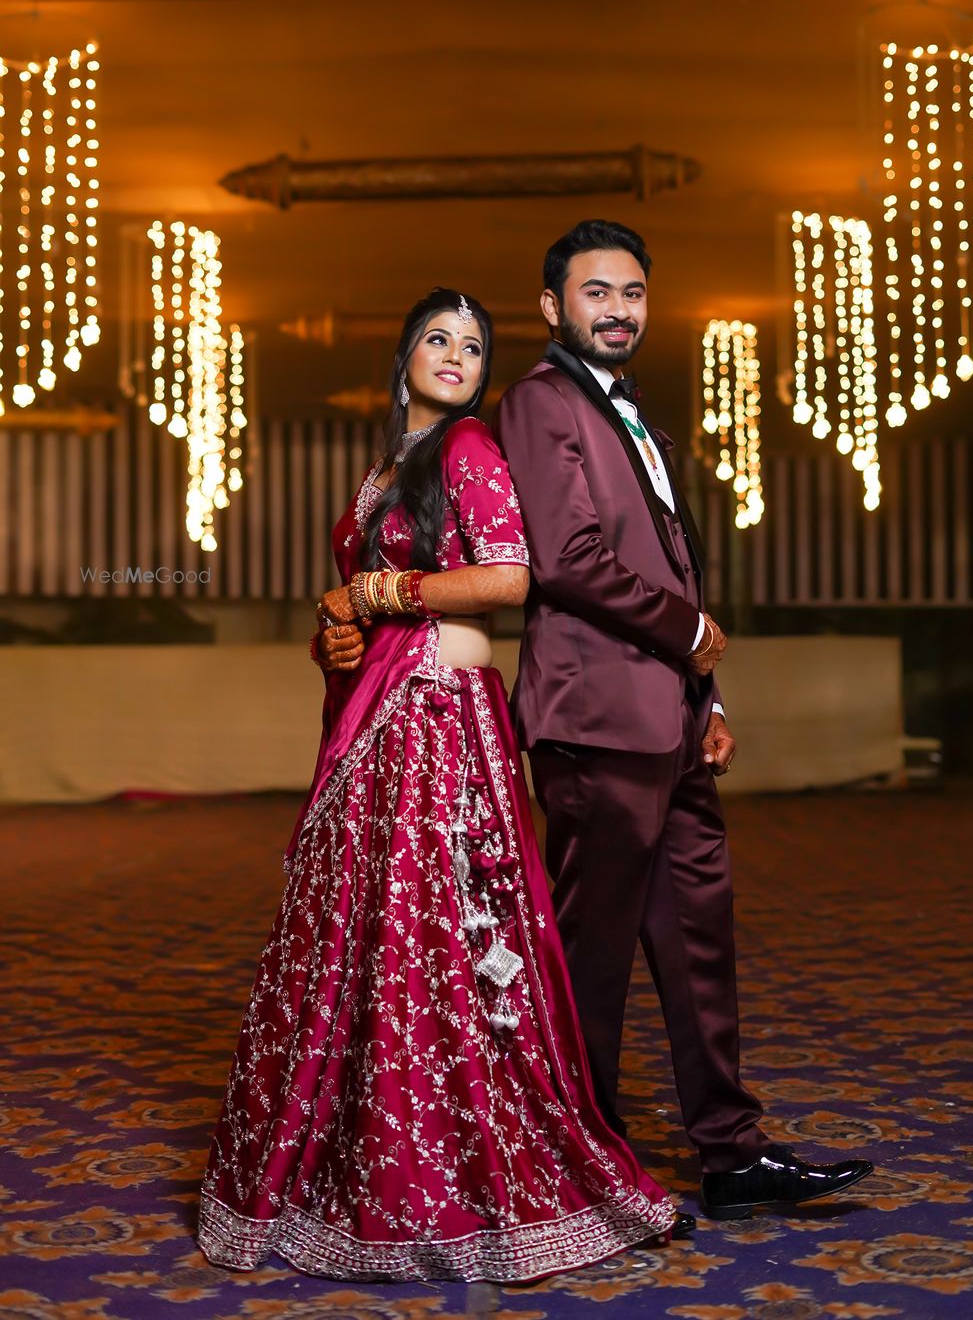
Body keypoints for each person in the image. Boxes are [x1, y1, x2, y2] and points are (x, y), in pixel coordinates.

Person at [197, 286, 691, 1284]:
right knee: (367, 938)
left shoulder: (467, 450)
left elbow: (509, 575)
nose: (457, 356)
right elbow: (356, 602)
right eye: (437, 338)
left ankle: (462, 1166)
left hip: (435, 717)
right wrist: (336, 631)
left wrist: (375, 594)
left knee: (443, 937)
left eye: (473, 345)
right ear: (404, 354)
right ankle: (354, 1158)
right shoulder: (388, 470)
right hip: (382, 715)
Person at [494, 222, 874, 1221]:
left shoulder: (637, 420)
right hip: (595, 718)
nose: (616, 310)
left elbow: (666, 561)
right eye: (594, 293)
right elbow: (569, 558)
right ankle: (577, 1167)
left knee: (701, 942)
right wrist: (694, 631)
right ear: (552, 308)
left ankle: (732, 1153)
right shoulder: (539, 402)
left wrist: (707, 696)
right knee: (595, 954)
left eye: (632, 294)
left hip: (670, 721)